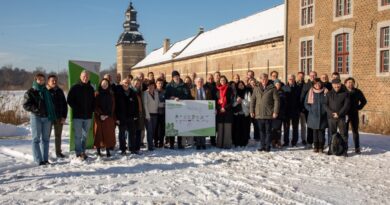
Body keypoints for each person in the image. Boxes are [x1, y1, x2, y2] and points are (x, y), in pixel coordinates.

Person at [23, 73, 56, 165]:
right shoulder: (31, 91)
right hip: (36, 117)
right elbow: (26, 105)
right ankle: (38, 160)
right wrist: (36, 109)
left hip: (47, 118)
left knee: (46, 139)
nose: (41, 81)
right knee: (36, 139)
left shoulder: (46, 91)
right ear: (36, 80)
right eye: (39, 79)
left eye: (42, 79)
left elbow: (50, 104)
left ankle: (45, 159)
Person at [67, 71, 95, 160]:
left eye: (87, 76)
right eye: (84, 76)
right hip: (78, 116)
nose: (85, 78)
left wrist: (92, 109)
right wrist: (77, 108)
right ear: (80, 76)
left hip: (88, 116)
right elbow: (69, 100)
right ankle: (78, 153)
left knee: (85, 135)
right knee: (78, 136)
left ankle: (83, 151)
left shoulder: (91, 88)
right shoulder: (75, 87)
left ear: (89, 77)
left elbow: (93, 101)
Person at [250, 73, 280, 152]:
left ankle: (267, 146)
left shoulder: (272, 88)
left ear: (267, 79)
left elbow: (276, 100)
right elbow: (253, 100)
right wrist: (251, 111)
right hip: (259, 113)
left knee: (268, 131)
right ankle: (262, 145)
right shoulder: (256, 88)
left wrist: (275, 111)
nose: (263, 80)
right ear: (260, 80)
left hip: (268, 113)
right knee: (261, 131)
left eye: (265, 79)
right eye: (262, 79)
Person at [165, 70, 191, 149]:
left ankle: (180, 143)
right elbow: (166, 96)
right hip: (172, 108)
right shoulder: (169, 86)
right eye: (174, 77)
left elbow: (187, 95)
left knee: (180, 125)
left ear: (179, 76)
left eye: (177, 76)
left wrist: (180, 98)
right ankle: (172, 144)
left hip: (182, 107)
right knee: (172, 126)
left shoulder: (184, 85)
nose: (176, 77)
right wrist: (171, 98)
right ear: (172, 78)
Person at [325, 78, 350, 157]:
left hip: (341, 117)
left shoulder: (345, 93)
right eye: (335, 84)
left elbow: (346, 106)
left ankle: (345, 150)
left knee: (343, 134)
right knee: (331, 134)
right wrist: (331, 113)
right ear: (332, 85)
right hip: (331, 117)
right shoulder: (328, 94)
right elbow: (325, 105)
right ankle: (331, 149)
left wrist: (339, 114)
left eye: (338, 84)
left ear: (340, 84)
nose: (337, 86)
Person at [93, 79, 116, 157]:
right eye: (103, 84)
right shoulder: (97, 93)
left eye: (106, 84)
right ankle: (98, 150)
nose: (104, 85)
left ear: (108, 85)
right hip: (99, 117)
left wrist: (108, 115)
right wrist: (100, 115)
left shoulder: (111, 94)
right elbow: (95, 105)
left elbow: (113, 105)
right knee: (98, 134)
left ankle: (107, 150)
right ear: (100, 84)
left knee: (108, 134)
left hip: (108, 117)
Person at [115, 78, 138, 155]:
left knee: (132, 133)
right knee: (122, 134)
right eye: (125, 83)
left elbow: (136, 105)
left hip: (131, 117)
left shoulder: (132, 92)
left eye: (128, 83)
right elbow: (115, 107)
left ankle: (132, 148)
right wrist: (117, 118)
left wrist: (136, 115)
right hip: (121, 117)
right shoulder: (118, 93)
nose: (126, 84)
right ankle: (123, 149)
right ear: (122, 83)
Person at [304, 78, 328, 153]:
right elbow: (306, 103)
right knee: (314, 132)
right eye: (316, 84)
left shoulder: (325, 91)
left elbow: (329, 102)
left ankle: (321, 147)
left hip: (323, 115)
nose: (317, 85)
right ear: (313, 85)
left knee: (321, 132)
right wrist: (311, 110)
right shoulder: (311, 91)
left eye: (319, 84)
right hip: (313, 115)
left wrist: (325, 110)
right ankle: (316, 146)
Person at [47, 74, 67, 158]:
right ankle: (45, 153)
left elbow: (64, 104)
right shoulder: (45, 91)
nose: (54, 82)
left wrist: (64, 116)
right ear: (48, 82)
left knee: (58, 136)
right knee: (46, 136)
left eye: (55, 80)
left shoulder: (60, 91)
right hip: (48, 118)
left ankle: (58, 152)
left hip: (59, 117)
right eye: (52, 80)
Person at [190, 77, 214, 150]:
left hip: (205, 111)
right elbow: (189, 100)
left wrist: (211, 109)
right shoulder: (192, 90)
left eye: (201, 81)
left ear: (203, 83)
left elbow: (210, 100)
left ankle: (203, 143)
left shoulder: (207, 90)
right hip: (195, 111)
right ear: (195, 82)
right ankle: (198, 143)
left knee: (203, 127)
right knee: (197, 127)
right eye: (198, 82)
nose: (199, 83)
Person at [345, 77, 367, 154]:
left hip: (354, 114)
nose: (350, 84)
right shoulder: (343, 91)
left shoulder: (358, 92)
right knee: (345, 131)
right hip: (345, 114)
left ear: (354, 84)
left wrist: (358, 107)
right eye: (349, 82)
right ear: (345, 83)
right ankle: (345, 147)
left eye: (352, 82)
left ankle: (357, 147)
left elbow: (364, 101)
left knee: (355, 131)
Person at [216, 75, 234, 149]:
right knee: (220, 128)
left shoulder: (230, 89)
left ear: (226, 80)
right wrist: (219, 108)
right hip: (219, 111)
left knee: (227, 128)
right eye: (221, 80)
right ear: (219, 81)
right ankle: (220, 144)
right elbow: (215, 100)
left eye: (224, 80)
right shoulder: (217, 89)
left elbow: (231, 100)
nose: (222, 81)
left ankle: (227, 144)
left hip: (228, 111)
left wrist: (225, 108)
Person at [300, 71, 317, 148]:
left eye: (314, 75)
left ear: (316, 76)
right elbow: (302, 97)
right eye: (311, 75)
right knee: (309, 125)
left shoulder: (319, 84)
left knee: (317, 126)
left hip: (317, 108)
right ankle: (310, 142)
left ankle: (316, 142)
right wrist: (303, 108)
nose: (312, 77)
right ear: (309, 76)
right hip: (308, 109)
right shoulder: (306, 85)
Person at [283, 74, 301, 147]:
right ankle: (286, 141)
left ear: (294, 79)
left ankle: (294, 141)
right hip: (286, 111)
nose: (291, 80)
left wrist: (299, 109)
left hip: (295, 111)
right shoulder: (284, 88)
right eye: (290, 79)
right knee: (286, 127)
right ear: (288, 80)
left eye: (292, 79)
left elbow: (300, 99)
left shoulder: (298, 88)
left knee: (295, 127)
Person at [232, 80, 251, 147]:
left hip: (244, 113)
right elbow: (233, 104)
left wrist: (242, 100)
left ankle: (244, 142)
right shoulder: (235, 93)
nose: (241, 86)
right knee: (237, 129)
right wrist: (237, 101)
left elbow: (249, 103)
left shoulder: (247, 92)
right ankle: (236, 142)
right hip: (237, 113)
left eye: (242, 85)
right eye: (239, 85)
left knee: (244, 129)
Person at [143, 81, 160, 151]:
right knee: (149, 131)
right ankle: (150, 146)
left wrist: (167, 104)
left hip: (155, 114)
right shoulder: (145, 93)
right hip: (148, 115)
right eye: (149, 85)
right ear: (147, 86)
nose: (151, 87)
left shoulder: (156, 93)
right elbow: (145, 105)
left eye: (152, 85)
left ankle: (151, 143)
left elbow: (158, 103)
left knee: (153, 131)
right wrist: (147, 115)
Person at [131, 78, 145, 153]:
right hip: (133, 114)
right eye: (136, 83)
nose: (137, 85)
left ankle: (137, 148)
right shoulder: (131, 91)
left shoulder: (140, 92)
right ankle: (132, 148)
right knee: (133, 132)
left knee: (139, 131)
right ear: (133, 83)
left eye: (138, 83)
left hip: (140, 114)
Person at [271, 79, 286, 149]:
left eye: (279, 84)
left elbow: (285, 103)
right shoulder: (271, 92)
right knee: (274, 128)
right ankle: (273, 140)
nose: (278, 86)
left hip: (280, 113)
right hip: (273, 112)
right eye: (277, 84)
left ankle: (278, 140)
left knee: (279, 128)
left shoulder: (282, 92)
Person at [155, 78, 166, 148]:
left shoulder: (164, 92)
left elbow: (167, 100)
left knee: (162, 128)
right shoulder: (153, 91)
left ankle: (161, 142)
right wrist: (162, 104)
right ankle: (156, 142)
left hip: (163, 113)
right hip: (155, 113)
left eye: (161, 83)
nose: (160, 84)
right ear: (156, 84)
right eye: (159, 83)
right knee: (156, 128)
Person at [296, 71, 307, 145]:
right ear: (297, 76)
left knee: (303, 125)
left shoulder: (306, 85)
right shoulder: (295, 85)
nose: (301, 77)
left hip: (303, 108)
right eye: (299, 76)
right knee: (295, 125)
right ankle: (295, 139)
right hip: (295, 109)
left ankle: (303, 139)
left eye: (302, 76)